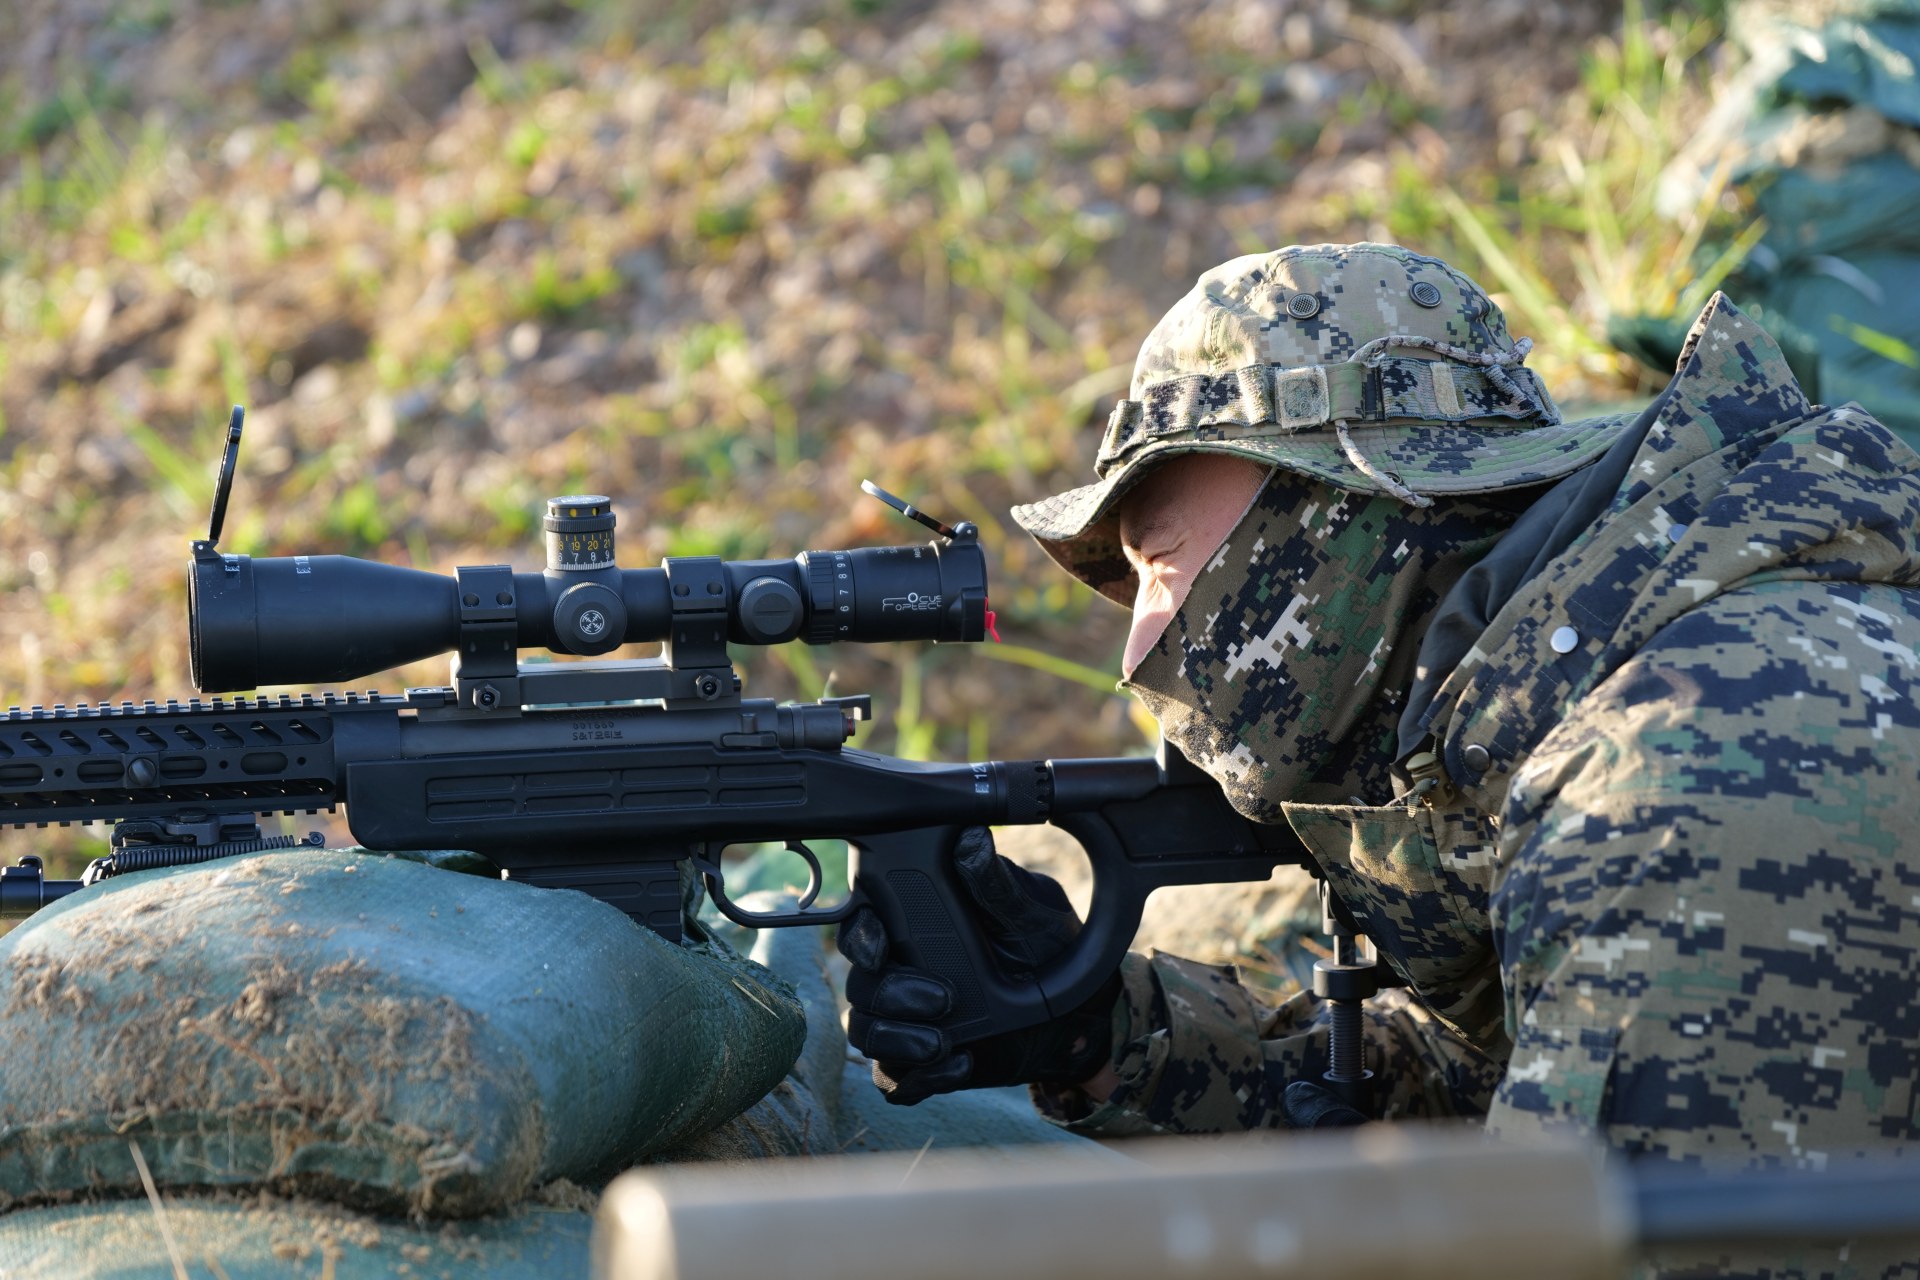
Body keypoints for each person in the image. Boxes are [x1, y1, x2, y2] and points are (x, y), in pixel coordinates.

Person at [839, 242, 1920, 1170]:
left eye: (1161, 562)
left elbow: (1597, 1231)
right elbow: (1481, 1088)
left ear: (1355, 503)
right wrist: (1097, 1034)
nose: (1140, 649)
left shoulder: (1688, 779)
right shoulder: (1581, 712)